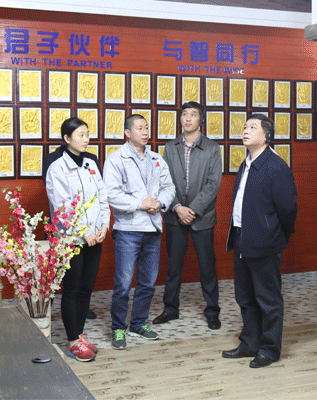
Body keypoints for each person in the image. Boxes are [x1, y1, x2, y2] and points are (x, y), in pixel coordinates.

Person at [221, 114, 298, 368]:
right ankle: (250, 343)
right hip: (241, 239)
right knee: (245, 297)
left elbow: (288, 209)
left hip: (265, 242)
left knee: (268, 300)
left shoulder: (276, 166)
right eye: (245, 127)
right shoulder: (246, 163)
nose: (245, 131)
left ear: (266, 136)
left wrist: (276, 235)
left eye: (252, 127)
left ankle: (269, 350)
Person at [103, 114, 175, 350]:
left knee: (147, 282)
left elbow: (169, 187)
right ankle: (118, 328)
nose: (145, 132)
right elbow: (110, 193)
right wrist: (140, 204)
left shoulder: (156, 158)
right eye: (139, 128)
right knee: (123, 284)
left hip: (153, 228)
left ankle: (138, 323)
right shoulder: (116, 159)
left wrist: (160, 203)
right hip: (128, 230)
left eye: (146, 128)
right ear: (127, 133)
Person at [44, 117, 110, 362]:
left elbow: (103, 197)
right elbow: (62, 207)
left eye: (87, 134)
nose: (86, 139)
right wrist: (84, 231)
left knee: (86, 288)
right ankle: (72, 341)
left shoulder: (91, 163)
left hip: (95, 237)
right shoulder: (56, 167)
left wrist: (104, 225)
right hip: (71, 239)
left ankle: (80, 335)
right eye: (80, 135)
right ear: (66, 138)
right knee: (71, 290)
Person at [153, 102, 222, 330]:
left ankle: (212, 311)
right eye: (184, 114)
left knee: (207, 267)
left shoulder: (212, 148)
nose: (188, 118)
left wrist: (192, 210)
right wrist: (177, 207)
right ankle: (170, 309)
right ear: (180, 119)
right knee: (173, 266)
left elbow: (213, 184)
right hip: (175, 216)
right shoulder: (170, 147)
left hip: (202, 217)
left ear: (201, 120)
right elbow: (164, 181)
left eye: (193, 114)